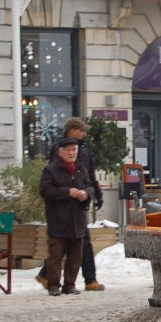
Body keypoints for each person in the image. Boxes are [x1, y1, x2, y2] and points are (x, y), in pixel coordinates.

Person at [35, 117, 106, 291]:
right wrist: (68, 192)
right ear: (72, 130)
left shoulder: (85, 149)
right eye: (82, 130)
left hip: (79, 208)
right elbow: (51, 182)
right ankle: (88, 279)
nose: (85, 133)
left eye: (73, 150)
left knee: (78, 244)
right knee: (75, 244)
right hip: (63, 210)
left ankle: (55, 277)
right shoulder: (59, 150)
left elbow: (89, 175)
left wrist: (94, 193)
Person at [39, 137, 95, 296]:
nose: (71, 153)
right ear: (61, 152)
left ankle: (69, 284)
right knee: (55, 256)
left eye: (74, 150)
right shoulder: (51, 170)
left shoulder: (81, 169)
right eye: (68, 150)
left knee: (75, 256)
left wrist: (87, 194)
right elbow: (45, 191)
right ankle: (53, 285)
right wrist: (67, 192)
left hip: (77, 220)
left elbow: (89, 186)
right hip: (58, 220)